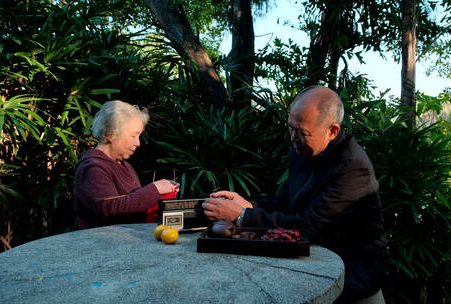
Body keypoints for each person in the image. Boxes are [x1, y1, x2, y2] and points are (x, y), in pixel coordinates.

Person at [202, 86, 387, 302]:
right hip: (312, 266)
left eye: (302, 132)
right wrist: (249, 204)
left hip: (353, 281)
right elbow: (285, 202)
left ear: (332, 131)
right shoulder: (303, 150)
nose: (293, 138)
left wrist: (242, 216)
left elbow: (310, 227)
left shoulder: (352, 168)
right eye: (291, 128)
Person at [74, 100, 179, 229]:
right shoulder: (93, 167)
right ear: (110, 134)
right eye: (134, 135)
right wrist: (154, 190)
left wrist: (163, 191)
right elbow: (108, 208)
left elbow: (133, 202)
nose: (138, 143)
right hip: (99, 244)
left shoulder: (125, 166)